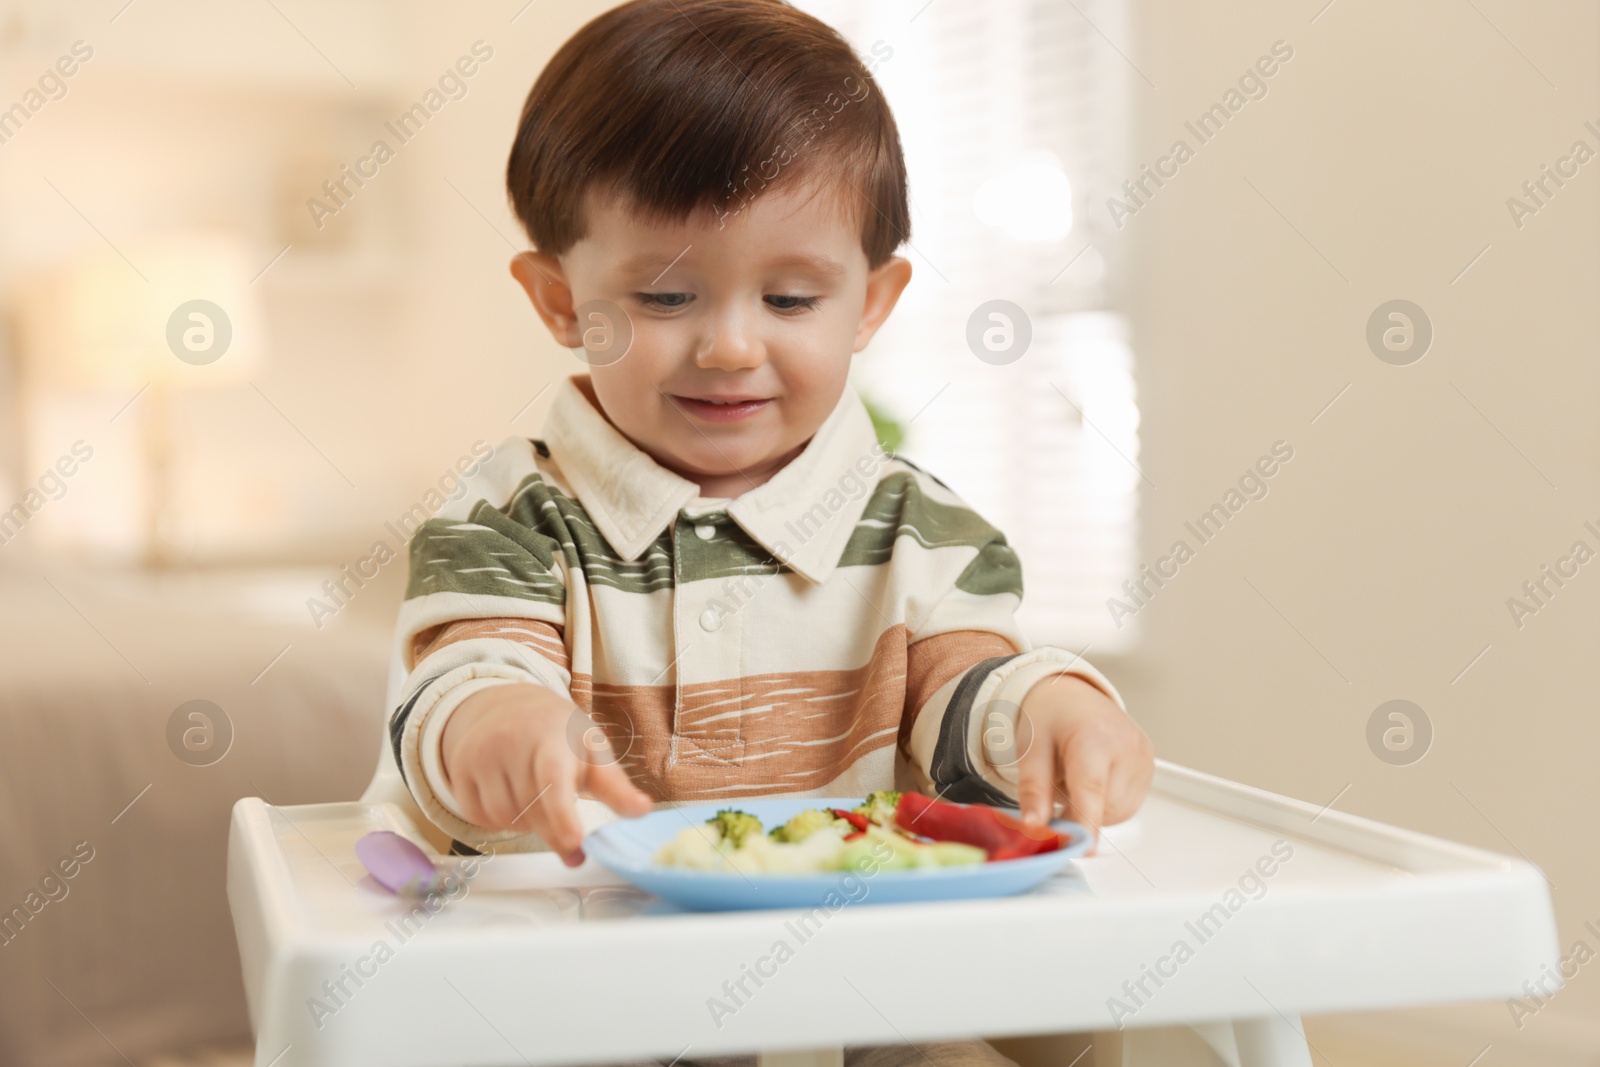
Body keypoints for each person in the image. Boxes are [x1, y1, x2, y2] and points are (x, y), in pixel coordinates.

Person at [388, 2, 1153, 1062]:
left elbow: (963, 681)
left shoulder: (917, 528)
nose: (731, 344)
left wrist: (1050, 706)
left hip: (861, 961)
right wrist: (505, 725)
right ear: (561, 300)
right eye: (665, 295)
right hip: (591, 968)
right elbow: (469, 670)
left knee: (1054, 1005)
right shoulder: (511, 517)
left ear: (871, 303)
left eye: (791, 297)